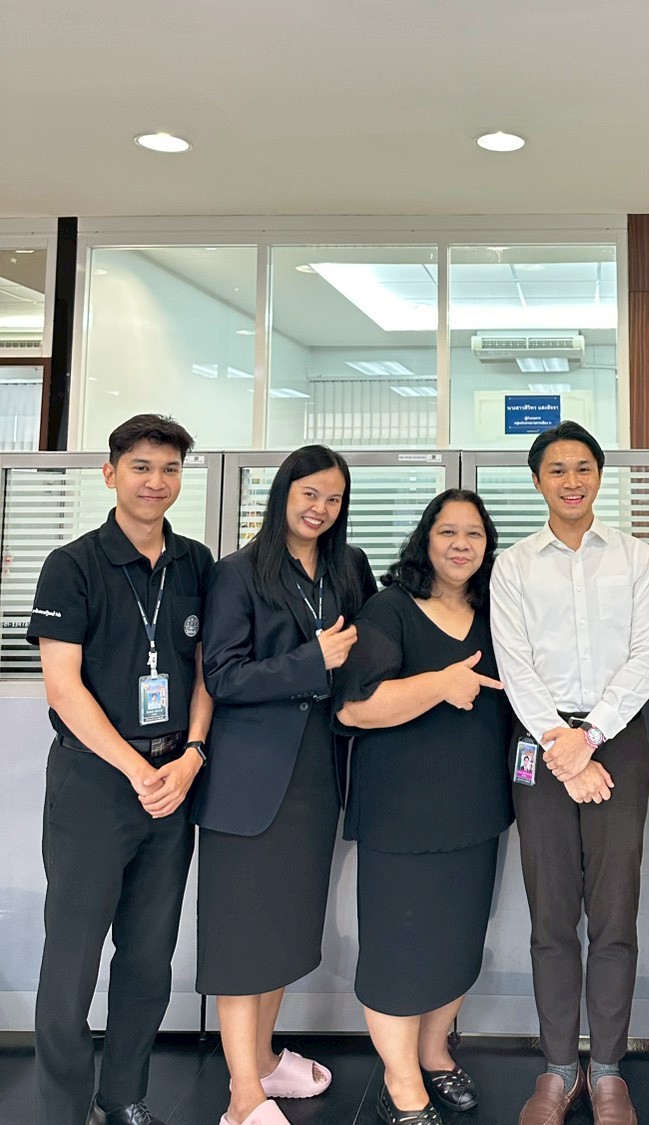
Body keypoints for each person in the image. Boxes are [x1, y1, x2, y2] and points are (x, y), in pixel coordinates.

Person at [26, 413, 214, 1125]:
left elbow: (207, 670)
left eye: (169, 469)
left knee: (148, 956)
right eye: (140, 467)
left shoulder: (196, 562)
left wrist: (193, 754)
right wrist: (137, 768)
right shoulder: (72, 565)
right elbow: (63, 688)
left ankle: (124, 1094)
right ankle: (63, 1109)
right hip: (97, 784)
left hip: (173, 782)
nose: (155, 481)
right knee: (72, 960)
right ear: (110, 474)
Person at [193, 444, 377, 1125]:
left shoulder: (347, 567)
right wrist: (311, 659)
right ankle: (243, 1095)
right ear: (283, 493)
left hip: (315, 777)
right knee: (242, 937)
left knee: (280, 931)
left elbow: (372, 647)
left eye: (333, 498)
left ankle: (265, 1059)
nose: (320, 508)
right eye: (309, 493)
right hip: (248, 782)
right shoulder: (238, 572)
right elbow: (224, 675)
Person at [490, 422, 649, 1125]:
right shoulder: (514, 565)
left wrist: (589, 738)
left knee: (616, 913)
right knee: (552, 913)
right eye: (557, 469)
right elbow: (514, 662)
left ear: (599, 474)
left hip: (617, 738)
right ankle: (559, 1067)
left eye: (584, 467)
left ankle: (610, 1069)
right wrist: (561, 744)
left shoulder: (636, 557)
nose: (572, 481)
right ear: (537, 480)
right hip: (540, 742)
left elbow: (648, 653)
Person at [335, 490, 512, 1125]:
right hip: (400, 814)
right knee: (397, 950)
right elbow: (355, 707)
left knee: (458, 942)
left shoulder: (495, 612)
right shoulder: (390, 609)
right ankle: (402, 1079)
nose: (462, 545)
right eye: (448, 532)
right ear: (425, 540)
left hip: (476, 811)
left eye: (474, 534)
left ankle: (435, 1053)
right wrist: (440, 684)